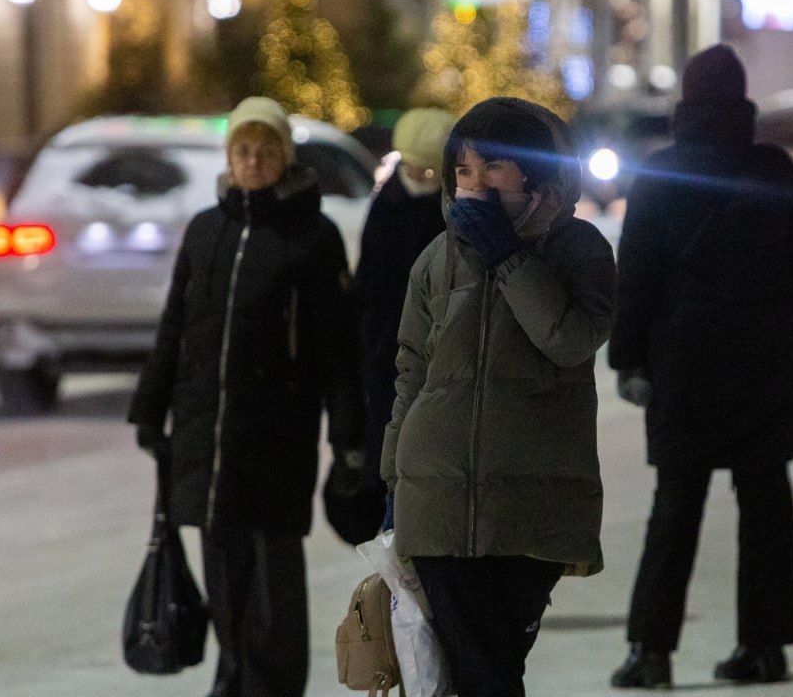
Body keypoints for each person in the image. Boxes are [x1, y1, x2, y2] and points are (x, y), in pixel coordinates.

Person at [380, 96, 616, 696]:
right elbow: (411, 367)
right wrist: (393, 481)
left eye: (493, 168)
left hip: (528, 505)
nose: (475, 185)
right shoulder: (437, 258)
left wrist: (508, 258)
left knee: (491, 667)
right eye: (463, 170)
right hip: (435, 494)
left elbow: (569, 340)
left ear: (534, 174)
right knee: (478, 673)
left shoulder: (578, 250)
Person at [128, 96, 363, 697]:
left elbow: (337, 347)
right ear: (229, 157)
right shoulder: (208, 231)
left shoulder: (314, 236)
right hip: (206, 432)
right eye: (242, 150)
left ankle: (273, 686)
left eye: (265, 151)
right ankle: (232, 680)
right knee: (223, 570)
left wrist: (348, 436)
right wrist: (151, 406)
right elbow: (175, 325)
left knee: (271, 578)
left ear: (284, 157)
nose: (253, 161)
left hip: (276, 433)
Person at [608, 44, 793, 688]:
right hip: (768, 360)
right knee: (766, 506)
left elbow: (636, 277)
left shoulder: (658, 175)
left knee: (675, 508)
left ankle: (651, 652)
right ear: (743, 100)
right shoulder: (775, 169)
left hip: (686, 363)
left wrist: (629, 359)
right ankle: (765, 647)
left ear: (686, 102)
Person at [327, 107, 456, 545]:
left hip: (442, 365)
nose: (423, 176)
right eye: (416, 166)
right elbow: (370, 286)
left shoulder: (454, 209)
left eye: (432, 169)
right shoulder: (388, 204)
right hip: (388, 362)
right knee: (392, 476)